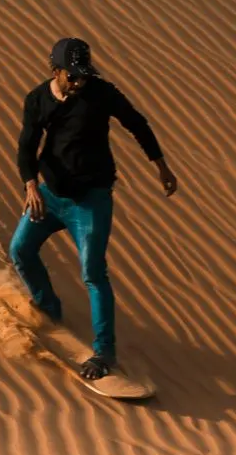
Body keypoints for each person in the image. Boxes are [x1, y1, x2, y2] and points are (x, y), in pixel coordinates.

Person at [12, 36, 178, 380]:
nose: (79, 82)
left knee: (92, 272)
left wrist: (160, 165)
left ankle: (104, 352)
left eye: (83, 75)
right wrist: (31, 186)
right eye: (72, 76)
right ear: (55, 71)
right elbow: (27, 147)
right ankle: (49, 309)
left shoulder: (101, 94)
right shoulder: (38, 99)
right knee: (21, 250)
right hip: (51, 196)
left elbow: (137, 123)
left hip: (91, 200)